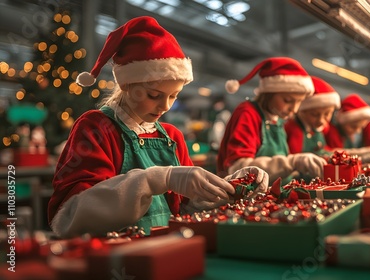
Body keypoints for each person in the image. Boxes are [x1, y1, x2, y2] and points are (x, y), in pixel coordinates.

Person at [48, 16, 269, 238]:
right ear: (125, 84)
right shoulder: (96, 128)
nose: (165, 106)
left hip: (168, 253)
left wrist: (227, 189)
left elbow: (185, 210)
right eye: (154, 95)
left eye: (174, 96)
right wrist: (157, 180)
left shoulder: (172, 137)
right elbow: (71, 217)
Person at [217, 57, 327, 183]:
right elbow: (238, 169)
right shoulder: (248, 114)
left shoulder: (278, 119)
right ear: (269, 93)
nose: (295, 109)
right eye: (288, 100)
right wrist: (292, 162)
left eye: (299, 102)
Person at [284, 76, 340, 155]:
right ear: (302, 112)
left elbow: (322, 149)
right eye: (314, 115)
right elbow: (294, 155)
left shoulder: (318, 130)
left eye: (327, 114)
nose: (321, 120)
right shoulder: (295, 130)